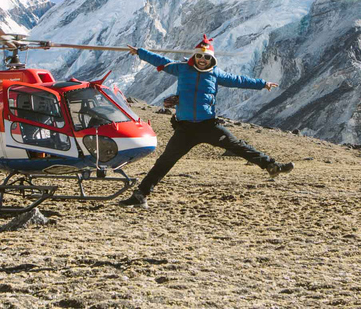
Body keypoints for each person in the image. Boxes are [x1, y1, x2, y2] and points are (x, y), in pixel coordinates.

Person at [119, 34, 294, 208]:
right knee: (164, 162)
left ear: (212, 59)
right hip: (185, 129)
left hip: (208, 125)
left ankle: (272, 166)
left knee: (238, 146)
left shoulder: (216, 74)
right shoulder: (181, 68)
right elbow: (161, 61)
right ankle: (140, 196)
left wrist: (263, 83)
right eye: (199, 56)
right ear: (195, 56)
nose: (202, 60)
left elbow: (239, 80)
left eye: (206, 57)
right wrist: (141, 52)